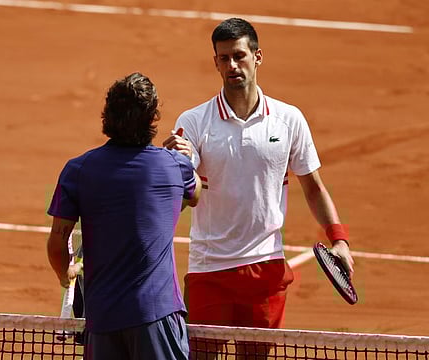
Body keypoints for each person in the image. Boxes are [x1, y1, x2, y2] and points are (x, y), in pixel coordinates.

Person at [163, 17, 354, 350]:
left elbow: (314, 187)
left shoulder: (289, 119)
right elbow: (185, 196)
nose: (232, 65)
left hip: (266, 269)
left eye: (239, 56)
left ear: (257, 56)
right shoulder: (192, 122)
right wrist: (176, 165)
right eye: (224, 58)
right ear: (216, 63)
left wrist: (339, 239)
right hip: (209, 269)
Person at [47, 72, 201, 360]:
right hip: (157, 316)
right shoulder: (174, 167)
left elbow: (57, 246)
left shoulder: (77, 170)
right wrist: (187, 157)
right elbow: (195, 194)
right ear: (153, 117)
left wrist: (64, 275)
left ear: (108, 115)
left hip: (102, 319)